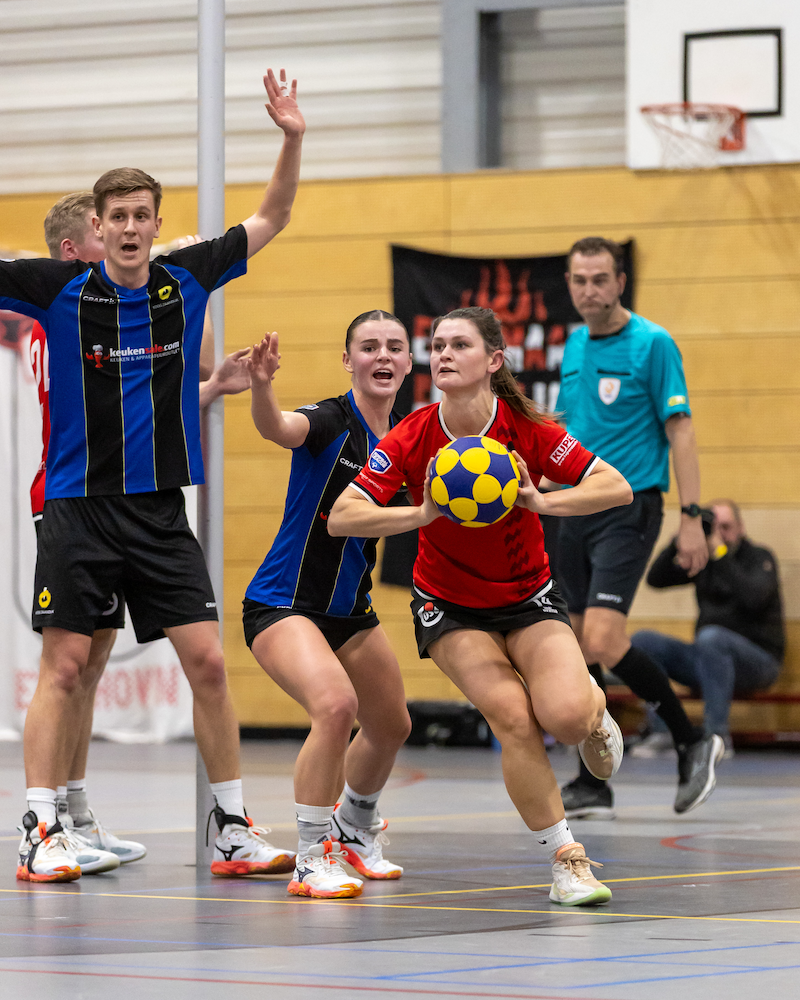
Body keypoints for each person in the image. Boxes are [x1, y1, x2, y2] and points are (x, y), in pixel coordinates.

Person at [1, 68, 304, 883]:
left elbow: (273, 215)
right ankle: (41, 828)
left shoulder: (188, 276)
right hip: (79, 508)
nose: (131, 228)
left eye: (142, 216)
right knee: (67, 667)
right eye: (118, 217)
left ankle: (231, 828)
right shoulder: (58, 288)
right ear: (97, 229)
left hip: (162, 511)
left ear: (157, 225)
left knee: (209, 663)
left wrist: (291, 137)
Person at [329, 306, 632, 907]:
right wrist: (420, 513)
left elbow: (615, 487)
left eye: (459, 345)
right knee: (513, 718)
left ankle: (593, 710)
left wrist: (539, 502)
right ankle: (567, 862)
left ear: (494, 360)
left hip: (528, 597)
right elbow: (342, 516)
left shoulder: (527, 431)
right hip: (450, 607)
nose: (443, 354)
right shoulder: (412, 435)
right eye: (437, 344)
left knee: (567, 719)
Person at [25, 192, 253, 876]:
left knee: (89, 667)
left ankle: (74, 813)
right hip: (76, 496)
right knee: (71, 666)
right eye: (107, 233)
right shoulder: (66, 308)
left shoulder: (111, 305)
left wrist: (207, 381)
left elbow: (144, 397)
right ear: (75, 250)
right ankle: (53, 819)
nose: (126, 243)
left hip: (123, 489)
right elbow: (113, 404)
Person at [242, 312, 413, 899]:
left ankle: (354, 830)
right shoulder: (330, 419)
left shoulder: (408, 439)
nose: (382, 356)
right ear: (348, 361)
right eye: (369, 347)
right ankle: (312, 858)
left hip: (350, 612)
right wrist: (262, 386)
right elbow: (280, 428)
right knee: (336, 706)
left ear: (408, 363)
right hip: (282, 604)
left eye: (394, 347)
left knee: (391, 724)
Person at [554, 236, 723, 819]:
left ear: (620, 282)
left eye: (600, 278)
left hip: (630, 506)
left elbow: (681, 430)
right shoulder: (575, 344)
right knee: (578, 646)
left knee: (604, 639)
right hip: (574, 507)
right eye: (579, 280)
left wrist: (693, 519)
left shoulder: (653, 343)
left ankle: (692, 740)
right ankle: (592, 782)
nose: (589, 290)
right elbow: (569, 430)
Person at [631, 499, 783, 756]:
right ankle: (664, 732)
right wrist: (679, 539)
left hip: (758, 662)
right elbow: (656, 579)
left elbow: (753, 598)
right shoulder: (704, 561)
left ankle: (717, 736)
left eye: (726, 527)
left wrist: (719, 552)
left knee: (712, 637)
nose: (719, 533)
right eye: (713, 527)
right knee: (643, 642)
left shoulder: (759, 557)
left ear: (741, 528)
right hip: (707, 658)